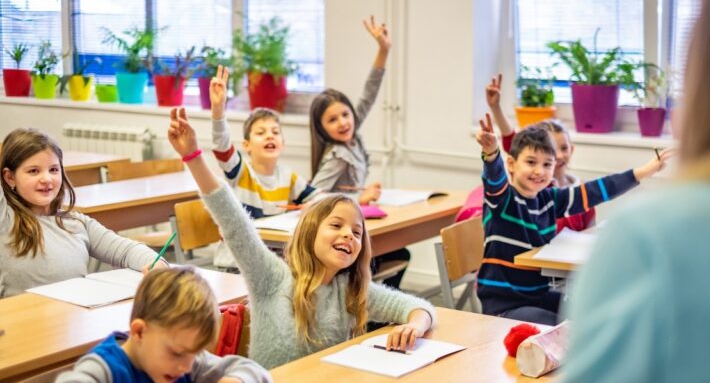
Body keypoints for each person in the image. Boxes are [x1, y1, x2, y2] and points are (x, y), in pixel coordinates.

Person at [562, 0, 710, 381]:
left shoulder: (652, 237)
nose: (551, 163)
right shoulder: (544, 193)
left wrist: (642, 172)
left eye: (559, 154)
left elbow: (593, 192)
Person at [167, 107, 436, 369]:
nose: (348, 235)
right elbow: (233, 221)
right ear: (310, 232)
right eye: (336, 225)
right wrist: (193, 157)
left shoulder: (350, 289)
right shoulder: (271, 278)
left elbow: (418, 307)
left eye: (357, 232)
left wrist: (415, 325)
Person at [475, 116, 671, 325]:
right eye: (531, 162)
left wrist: (643, 172)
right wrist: (491, 153)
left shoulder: (550, 199)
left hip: (536, 297)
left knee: (592, 310)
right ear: (512, 164)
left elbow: (595, 191)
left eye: (547, 164)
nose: (539, 171)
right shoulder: (503, 201)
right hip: (504, 307)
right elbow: (494, 180)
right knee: (566, 329)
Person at [308, 15, 410, 290]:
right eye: (332, 120)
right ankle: (370, 303)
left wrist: (384, 50)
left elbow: (369, 94)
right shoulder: (336, 155)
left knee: (401, 253)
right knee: (395, 255)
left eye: (345, 114)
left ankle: (380, 303)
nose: (343, 122)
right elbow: (314, 197)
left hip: (357, 224)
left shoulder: (351, 137)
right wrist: (358, 198)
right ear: (322, 129)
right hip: (344, 233)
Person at [0, 128, 165, 298]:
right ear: (9, 177)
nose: (47, 179)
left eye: (54, 170)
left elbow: (126, 250)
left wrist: (157, 265)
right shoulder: (5, 219)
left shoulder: (76, 223)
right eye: (33, 171)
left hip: (72, 312)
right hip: (21, 314)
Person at [56, 266, 271, 382]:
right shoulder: (106, 369)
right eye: (176, 353)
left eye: (195, 353)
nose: (187, 367)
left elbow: (253, 370)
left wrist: (235, 380)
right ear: (139, 332)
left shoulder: (187, 361)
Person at [208, 65, 323, 272]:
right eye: (260, 133)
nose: (270, 135)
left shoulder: (288, 176)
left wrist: (312, 205)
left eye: (275, 132)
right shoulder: (240, 171)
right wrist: (218, 111)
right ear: (247, 145)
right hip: (238, 263)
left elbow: (319, 198)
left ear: (283, 144)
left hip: (273, 263)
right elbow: (222, 146)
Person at [457, 74, 596, 231]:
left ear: (572, 149)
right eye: (552, 149)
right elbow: (512, 138)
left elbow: (591, 232)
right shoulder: (533, 185)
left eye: (564, 148)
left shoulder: (581, 191)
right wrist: (496, 108)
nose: (558, 155)